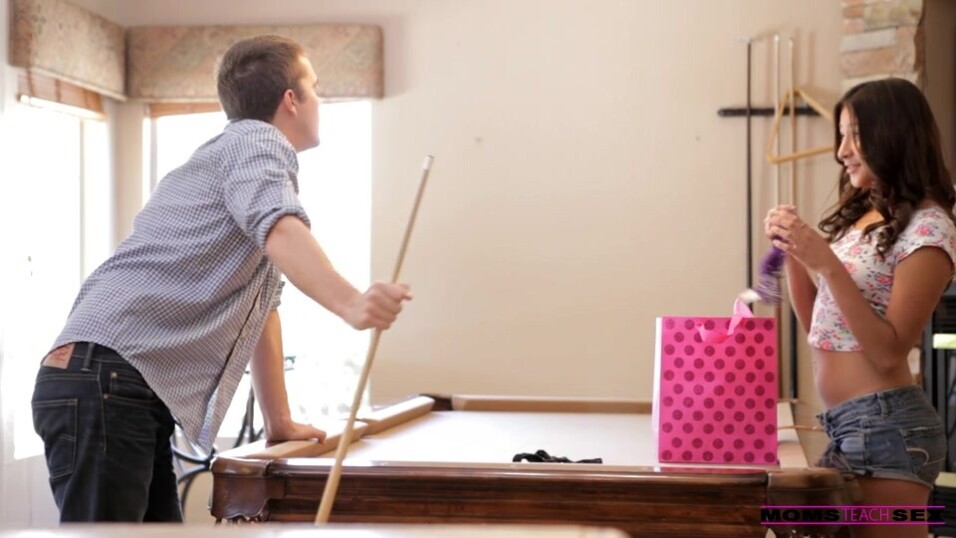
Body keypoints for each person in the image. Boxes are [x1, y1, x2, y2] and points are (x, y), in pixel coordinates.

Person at [30, 35, 412, 522]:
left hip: (114, 382)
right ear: (290, 100)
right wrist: (352, 303)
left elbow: (262, 311)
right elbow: (279, 225)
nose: (320, 100)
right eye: (314, 87)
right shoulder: (256, 142)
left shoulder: (239, 163)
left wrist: (279, 422)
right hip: (106, 378)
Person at [765, 77, 955, 537]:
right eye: (842, 134)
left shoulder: (931, 228)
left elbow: (890, 350)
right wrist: (794, 253)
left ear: (891, 135)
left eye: (855, 135)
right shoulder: (864, 216)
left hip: (891, 434)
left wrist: (825, 262)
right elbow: (821, 328)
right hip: (850, 425)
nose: (841, 150)